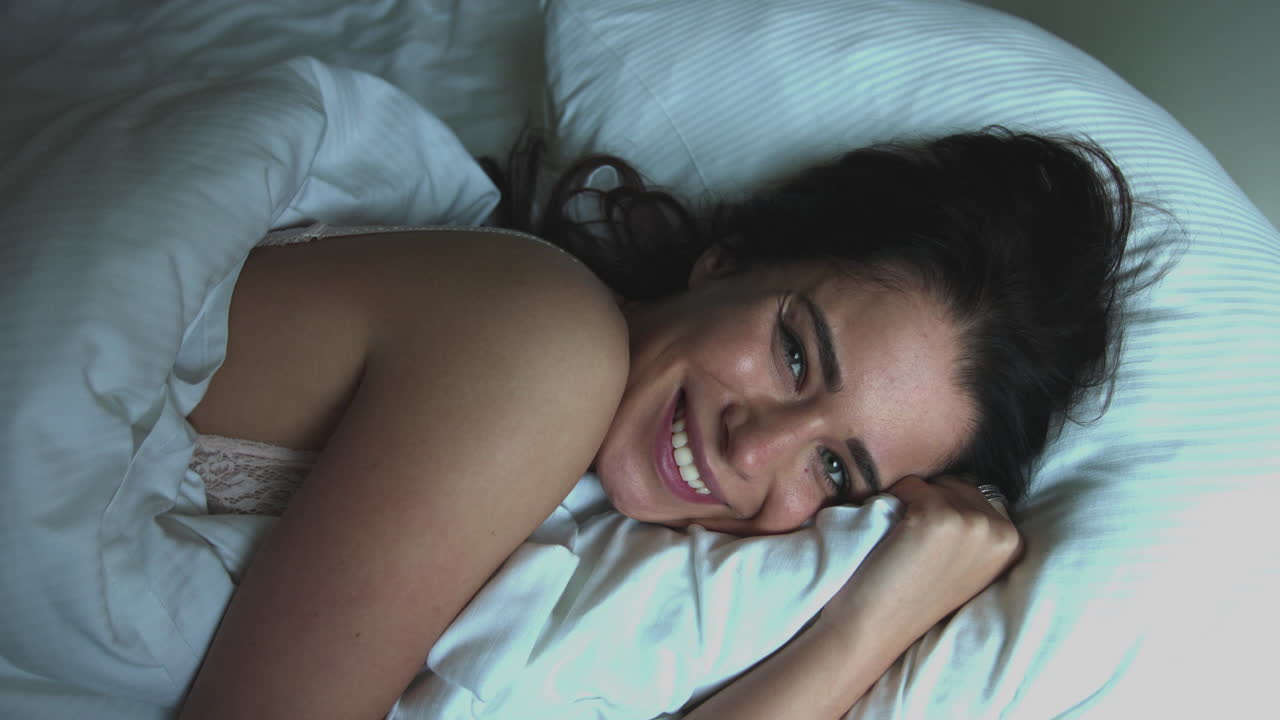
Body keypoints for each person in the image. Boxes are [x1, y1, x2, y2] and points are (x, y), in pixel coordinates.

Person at [179, 126, 1136, 719]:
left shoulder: (599, 554)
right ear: (726, 262)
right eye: (795, 353)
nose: (755, 448)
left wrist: (869, 626)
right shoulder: (538, 337)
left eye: (836, 472)